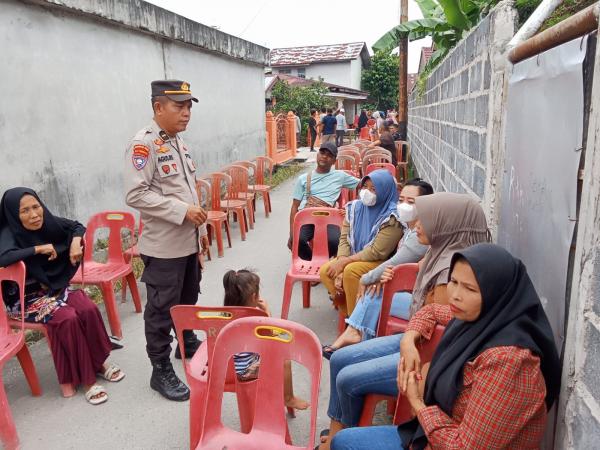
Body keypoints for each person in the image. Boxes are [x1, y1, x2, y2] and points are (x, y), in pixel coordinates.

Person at [330, 243, 561, 450]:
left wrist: (418, 404)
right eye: (453, 282)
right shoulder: (480, 319)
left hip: (444, 439)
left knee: (346, 441)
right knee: (344, 440)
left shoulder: (508, 361)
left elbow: (464, 446)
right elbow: (430, 311)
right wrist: (408, 339)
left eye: (470, 289)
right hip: (435, 433)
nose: (456, 296)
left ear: (496, 294)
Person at [318, 193, 490, 449]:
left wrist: (410, 341)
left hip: (426, 359)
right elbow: (427, 311)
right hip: (416, 339)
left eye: (426, 220)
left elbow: (438, 343)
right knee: (341, 358)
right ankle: (340, 427)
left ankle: (340, 437)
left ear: (448, 225)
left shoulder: (450, 274)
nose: (417, 225)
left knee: (346, 377)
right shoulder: (438, 253)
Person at [124, 79, 209, 402]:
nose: (187, 112)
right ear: (158, 107)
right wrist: (182, 211)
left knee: (188, 297)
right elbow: (135, 194)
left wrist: (198, 240)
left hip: (187, 242)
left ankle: (184, 344)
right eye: (179, 106)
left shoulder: (177, 143)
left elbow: (186, 191)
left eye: (189, 106)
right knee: (160, 309)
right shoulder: (143, 145)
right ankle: (159, 369)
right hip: (163, 247)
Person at [0, 188, 124, 405]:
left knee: (87, 308)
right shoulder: (7, 233)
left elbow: (77, 225)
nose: (35, 214)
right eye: (25, 211)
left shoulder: (48, 221)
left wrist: (76, 241)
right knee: (67, 318)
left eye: (36, 206)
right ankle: (86, 380)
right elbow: (4, 256)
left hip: (54, 289)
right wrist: (37, 249)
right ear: (13, 214)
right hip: (25, 300)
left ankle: (98, 363)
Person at [322, 179, 433, 356]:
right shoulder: (409, 228)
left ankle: (354, 336)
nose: (403, 205)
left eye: (411, 202)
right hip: (401, 284)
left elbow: (392, 259)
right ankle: (356, 337)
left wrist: (368, 279)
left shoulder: (421, 234)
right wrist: (344, 260)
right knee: (368, 287)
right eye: (401, 200)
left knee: (371, 291)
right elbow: (345, 239)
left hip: (417, 298)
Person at [319, 170, 404, 316]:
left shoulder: (393, 217)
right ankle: (349, 314)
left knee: (351, 271)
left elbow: (376, 251)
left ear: (384, 192)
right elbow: (344, 238)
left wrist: (344, 263)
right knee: (326, 271)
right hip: (353, 256)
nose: (366, 192)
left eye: (373, 189)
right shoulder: (355, 208)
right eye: (365, 187)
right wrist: (340, 261)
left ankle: (355, 324)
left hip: (380, 261)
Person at [222, 269, 309, 410]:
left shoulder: (223, 316)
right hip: (246, 371)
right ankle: (288, 398)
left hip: (224, 369)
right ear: (254, 296)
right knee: (284, 361)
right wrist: (266, 312)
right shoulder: (255, 320)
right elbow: (276, 335)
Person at [288, 142, 359, 261]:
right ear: (317, 154)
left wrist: (353, 206)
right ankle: (313, 261)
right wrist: (291, 233)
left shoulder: (340, 176)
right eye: (322, 153)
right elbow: (295, 206)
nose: (324, 156)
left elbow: (363, 184)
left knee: (335, 241)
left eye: (329, 155)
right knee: (297, 241)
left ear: (334, 161)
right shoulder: (303, 179)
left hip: (329, 217)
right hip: (307, 217)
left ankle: (321, 262)